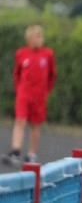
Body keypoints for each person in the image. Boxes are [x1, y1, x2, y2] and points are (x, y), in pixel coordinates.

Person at [4, 25, 57, 166]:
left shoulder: (48, 54)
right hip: (24, 94)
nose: (40, 39)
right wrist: (19, 90)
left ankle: (31, 154)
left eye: (41, 36)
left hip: (39, 96)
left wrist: (46, 91)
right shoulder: (21, 53)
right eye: (37, 36)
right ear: (29, 39)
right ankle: (15, 150)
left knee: (35, 125)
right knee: (20, 120)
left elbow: (52, 75)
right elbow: (17, 74)